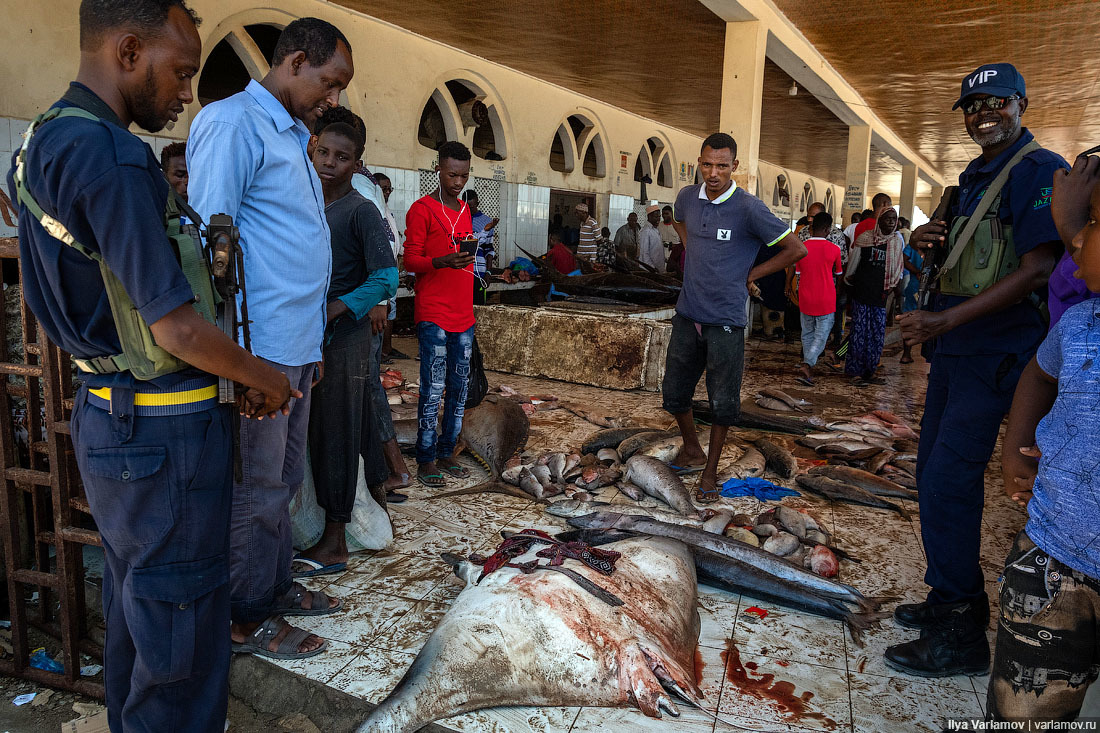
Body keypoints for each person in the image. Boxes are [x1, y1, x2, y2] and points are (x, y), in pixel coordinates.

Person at [6, 1, 296, 728]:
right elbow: (175, 327)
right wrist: (262, 376)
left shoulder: (43, 138)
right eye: (182, 72)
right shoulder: (112, 156)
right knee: (182, 638)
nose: (188, 93)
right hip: (163, 432)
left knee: (142, 616)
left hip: (109, 416)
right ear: (129, 51)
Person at [887, 63, 1067, 678]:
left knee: (949, 482)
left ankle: (961, 630)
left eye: (995, 102)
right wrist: (929, 243)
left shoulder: (1037, 171)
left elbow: (1039, 270)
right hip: (958, 353)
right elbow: (961, 256)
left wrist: (946, 321)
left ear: (1021, 104)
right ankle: (948, 600)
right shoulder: (973, 176)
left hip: (995, 354)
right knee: (931, 478)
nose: (981, 113)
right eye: (970, 106)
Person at [188, 17, 354, 660]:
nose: (333, 99)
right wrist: (236, 359)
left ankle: (272, 586)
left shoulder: (290, 133)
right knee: (254, 487)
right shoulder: (234, 124)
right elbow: (211, 244)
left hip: (297, 342)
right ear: (296, 61)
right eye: (330, 82)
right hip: (258, 349)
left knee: (281, 483)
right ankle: (241, 617)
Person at [989, 161, 1100, 722]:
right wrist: (1015, 446)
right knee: (1024, 710)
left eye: (1092, 222)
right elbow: (1039, 373)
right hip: (1054, 557)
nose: (1075, 237)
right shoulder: (1080, 323)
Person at [663, 133, 806, 503]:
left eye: (722, 166)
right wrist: (691, 245)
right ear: (699, 161)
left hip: (726, 319)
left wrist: (751, 274)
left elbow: (796, 249)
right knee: (675, 394)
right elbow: (677, 219)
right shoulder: (686, 198)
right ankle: (693, 449)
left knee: (722, 401)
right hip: (687, 314)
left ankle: (710, 470)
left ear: (735, 167)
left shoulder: (748, 208)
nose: (713, 173)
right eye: (707, 164)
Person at [296, 122, 397, 576]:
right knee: (323, 427)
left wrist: (337, 308)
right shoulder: (307, 202)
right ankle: (343, 513)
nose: (329, 164)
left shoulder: (361, 211)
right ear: (313, 150)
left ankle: (335, 539)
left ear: (356, 165)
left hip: (346, 336)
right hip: (309, 332)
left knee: (337, 430)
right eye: (325, 154)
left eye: (342, 158)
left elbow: (385, 278)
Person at [403, 141, 477, 487]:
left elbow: (462, 251)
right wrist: (442, 261)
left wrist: (468, 263)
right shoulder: (421, 209)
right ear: (438, 169)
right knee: (432, 389)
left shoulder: (464, 211)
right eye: (451, 174)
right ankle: (426, 458)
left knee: (458, 389)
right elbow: (410, 260)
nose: (458, 182)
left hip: (464, 313)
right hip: (433, 312)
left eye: (463, 175)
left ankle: (448, 451)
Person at [844, 207, 903, 386]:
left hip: (881, 295)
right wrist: (849, 284)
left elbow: (898, 269)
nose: (891, 222)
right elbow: (853, 266)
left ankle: (870, 371)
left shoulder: (896, 242)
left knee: (876, 335)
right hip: (862, 293)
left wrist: (893, 289)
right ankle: (855, 372)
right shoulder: (865, 239)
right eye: (887, 219)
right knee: (859, 333)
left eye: (894, 219)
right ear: (880, 220)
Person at [796, 212, 843, 385]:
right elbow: (839, 276)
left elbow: (798, 274)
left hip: (805, 297)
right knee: (821, 336)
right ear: (828, 229)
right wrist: (836, 295)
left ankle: (808, 368)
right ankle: (807, 364)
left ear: (811, 228)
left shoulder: (801, 248)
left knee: (807, 333)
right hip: (826, 298)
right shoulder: (834, 249)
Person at [799, 201, 849, 343]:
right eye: (808, 216)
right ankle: (812, 351)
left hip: (829, 287)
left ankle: (834, 342)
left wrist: (839, 288)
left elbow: (843, 262)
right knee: (809, 322)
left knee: (832, 318)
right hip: (808, 286)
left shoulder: (836, 235)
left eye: (813, 217)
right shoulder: (803, 233)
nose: (810, 220)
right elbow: (796, 260)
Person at [464, 189, 498, 305]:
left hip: (479, 272)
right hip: (461, 272)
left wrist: (488, 272)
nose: (469, 210)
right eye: (467, 207)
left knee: (478, 306)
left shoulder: (486, 221)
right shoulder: (458, 220)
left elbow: (489, 249)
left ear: (477, 204)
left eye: (472, 207)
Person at [637, 204, 664, 271]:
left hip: (657, 269)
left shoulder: (655, 230)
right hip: (649, 270)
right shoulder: (646, 232)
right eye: (656, 217)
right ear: (649, 217)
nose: (658, 219)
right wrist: (652, 268)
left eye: (659, 217)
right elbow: (644, 253)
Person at [659, 204, 683, 273]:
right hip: (662, 255)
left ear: (671, 214)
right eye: (663, 214)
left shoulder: (677, 226)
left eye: (667, 213)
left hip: (675, 257)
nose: (664, 216)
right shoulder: (659, 225)